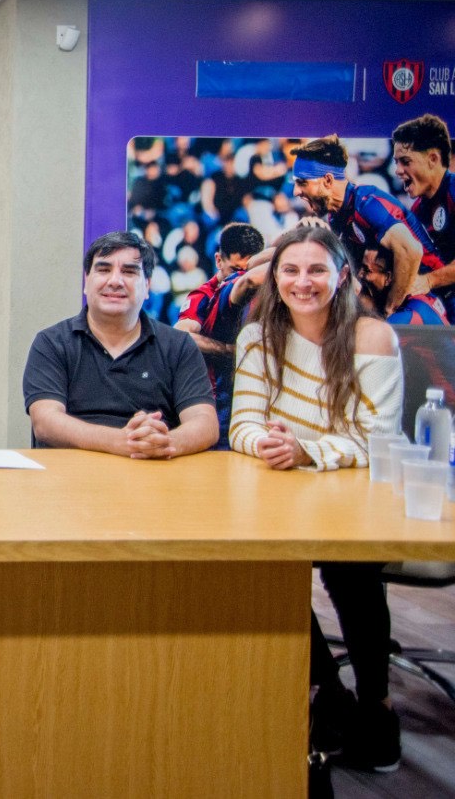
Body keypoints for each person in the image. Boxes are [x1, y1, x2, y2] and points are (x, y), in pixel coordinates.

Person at [228, 223, 403, 773]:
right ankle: (329, 691)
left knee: (351, 575)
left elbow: (376, 439)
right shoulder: (257, 336)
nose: (303, 282)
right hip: (278, 483)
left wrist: (308, 451)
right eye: (291, 270)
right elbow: (242, 426)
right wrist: (272, 445)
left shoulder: (373, 337)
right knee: (254, 566)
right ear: (274, 278)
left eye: (317, 270)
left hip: (347, 487)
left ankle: (377, 709)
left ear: (343, 275)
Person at [23, 231, 217, 457]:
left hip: (154, 475)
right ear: (86, 282)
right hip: (71, 478)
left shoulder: (178, 345)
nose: (115, 281)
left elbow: (206, 424)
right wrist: (121, 442)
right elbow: (46, 422)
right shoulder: (52, 342)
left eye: (129, 271)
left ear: (147, 285)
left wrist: (165, 442)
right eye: (104, 270)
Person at [291, 134, 441, 315]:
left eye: (302, 182)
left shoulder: (367, 204)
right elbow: (355, 280)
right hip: (399, 297)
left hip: (430, 296)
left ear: (328, 180)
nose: (296, 191)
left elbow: (411, 251)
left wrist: (388, 310)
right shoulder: (335, 218)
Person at [175, 222, 267, 443]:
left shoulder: (265, 291)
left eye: (248, 270)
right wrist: (231, 351)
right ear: (218, 260)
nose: (241, 277)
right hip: (218, 402)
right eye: (236, 270)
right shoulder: (203, 295)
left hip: (255, 399)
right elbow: (182, 337)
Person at [391, 113, 455, 316]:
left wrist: (429, 280)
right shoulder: (418, 210)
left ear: (433, 159)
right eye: (396, 162)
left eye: (405, 161)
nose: (398, 171)